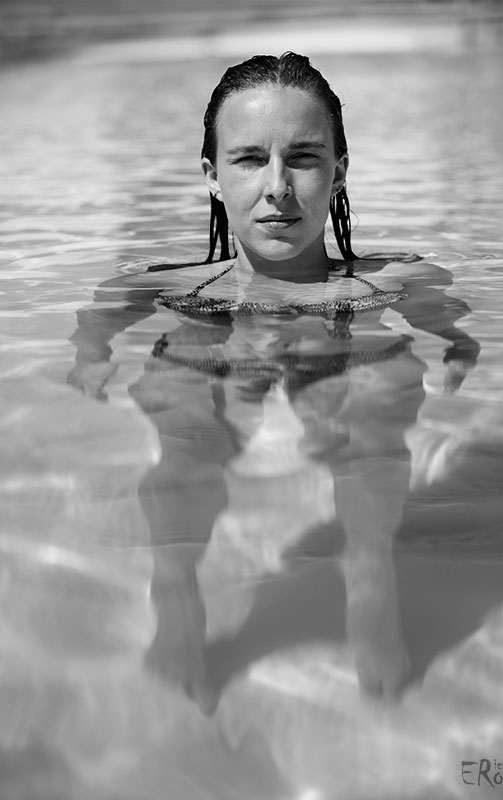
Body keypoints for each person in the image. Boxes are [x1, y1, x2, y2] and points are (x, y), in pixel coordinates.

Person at [68, 52, 480, 712]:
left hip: (340, 346)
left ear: (338, 172)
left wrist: (457, 344)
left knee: (376, 400)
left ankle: (370, 574)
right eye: (250, 159)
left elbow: (439, 308)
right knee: (180, 416)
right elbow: (110, 302)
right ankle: (175, 586)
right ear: (212, 175)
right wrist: (91, 354)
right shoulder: (182, 284)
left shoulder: (387, 279)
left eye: (304, 158)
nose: (278, 186)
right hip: (217, 343)